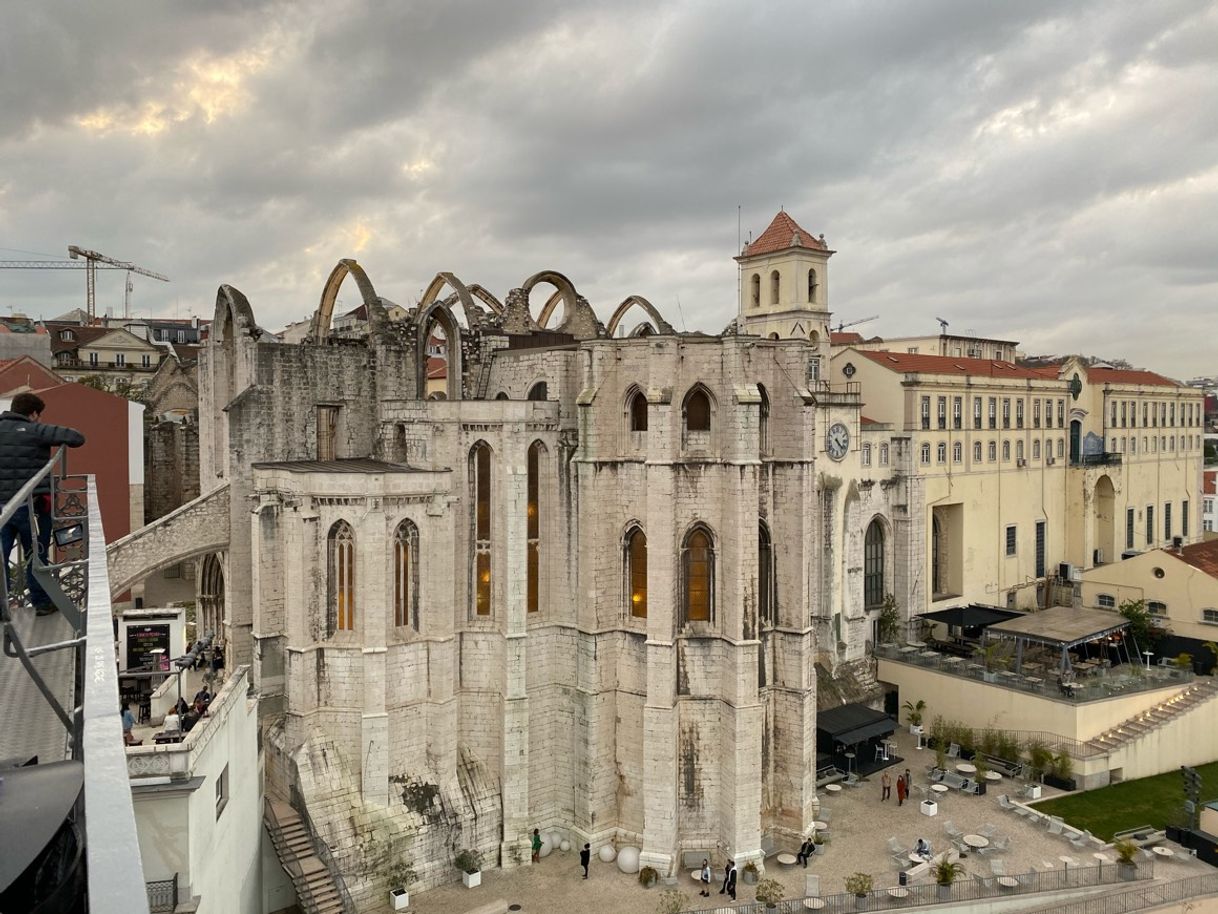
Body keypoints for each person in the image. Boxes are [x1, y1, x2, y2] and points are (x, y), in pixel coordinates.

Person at [0, 393, 85, 615]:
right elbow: (77, 438)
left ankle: (1, 607)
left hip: (2, 509)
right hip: (31, 507)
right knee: (36, 556)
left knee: (1, 556)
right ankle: (41, 603)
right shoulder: (36, 430)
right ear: (34, 413)